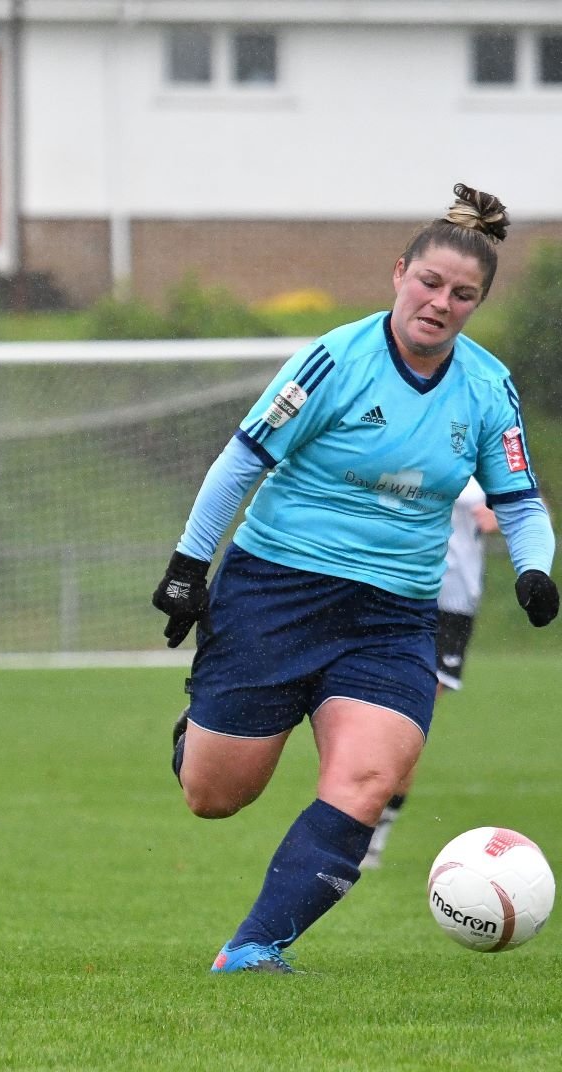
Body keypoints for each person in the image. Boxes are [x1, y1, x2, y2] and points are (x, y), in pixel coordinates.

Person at [151, 183, 557, 974]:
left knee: (368, 781)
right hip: (277, 592)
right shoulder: (336, 359)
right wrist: (187, 566)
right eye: (430, 282)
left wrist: (536, 570)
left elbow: (519, 498)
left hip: (394, 614)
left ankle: (255, 949)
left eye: (463, 295)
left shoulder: (485, 387)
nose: (441, 303)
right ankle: (198, 735)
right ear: (400, 273)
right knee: (215, 796)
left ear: (478, 303)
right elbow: (241, 462)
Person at [362, 476, 498, 869]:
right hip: (397, 594)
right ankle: (366, 814)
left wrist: (499, 512)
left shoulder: (478, 465)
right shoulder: (408, 454)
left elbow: (525, 500)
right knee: (382, 714)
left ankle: (379, 823)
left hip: (451, 607)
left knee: (410, 716)